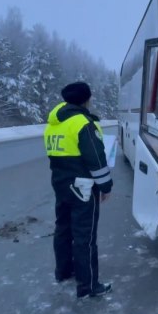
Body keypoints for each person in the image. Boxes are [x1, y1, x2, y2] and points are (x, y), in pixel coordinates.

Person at [44, 81, 113, 299]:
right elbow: (96, 159)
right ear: (86, 99)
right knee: (85, 236)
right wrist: (105, 186)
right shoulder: (83, 123)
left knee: (63, 229)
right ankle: (89, 286)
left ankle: (63, 272)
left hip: (61, 185)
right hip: (83, 187)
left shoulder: (54, 124)